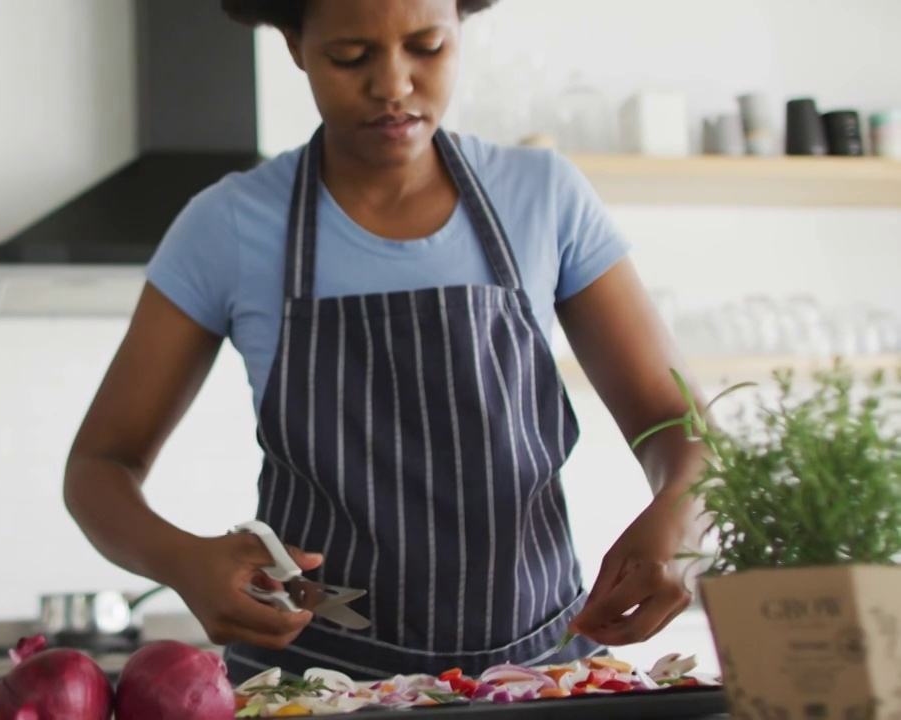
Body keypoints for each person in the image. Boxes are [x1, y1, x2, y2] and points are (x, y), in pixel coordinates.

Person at [63, 0, 708, 685]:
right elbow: (100, 465)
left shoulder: (544, 197)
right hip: (316, 684)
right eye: (351, 57)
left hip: (536, 677)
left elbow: (679, 424)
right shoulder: (227, 226)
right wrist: (182, 559)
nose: (393, 85)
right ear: (293, 44)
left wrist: (680, 516)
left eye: (426, 47)